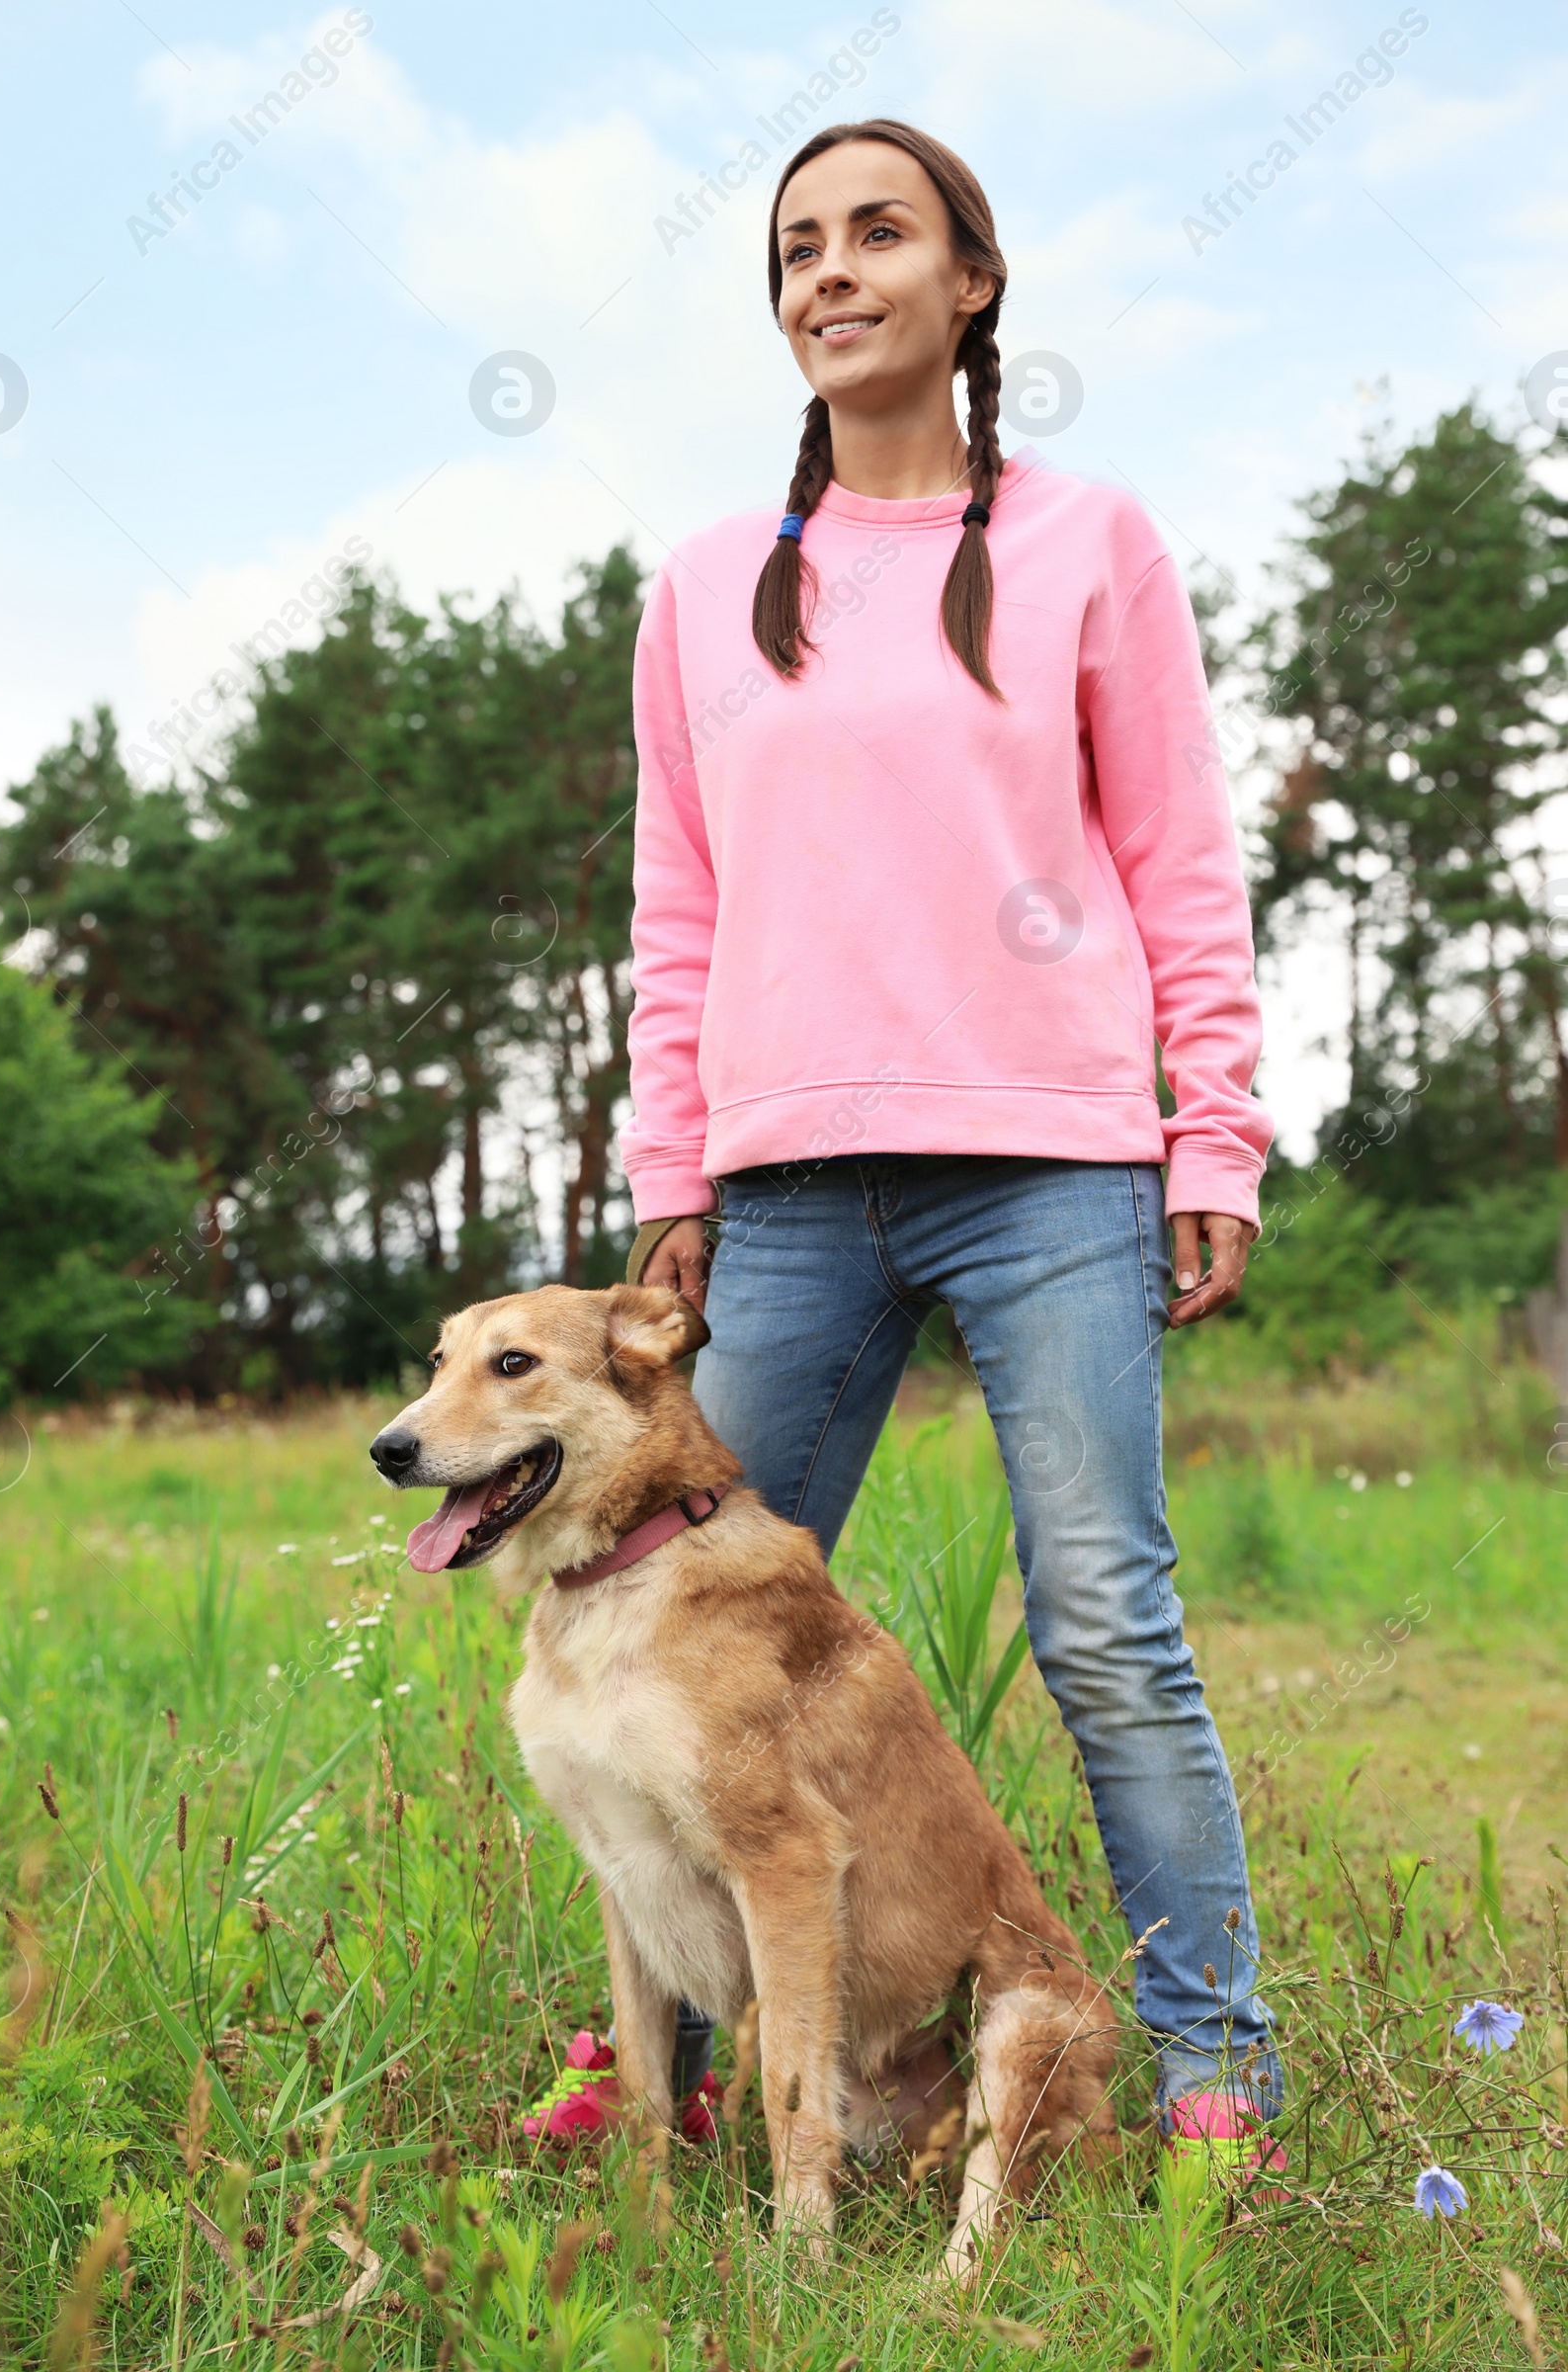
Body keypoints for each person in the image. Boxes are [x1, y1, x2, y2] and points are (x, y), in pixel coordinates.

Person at [524, 116, 1284, 2182]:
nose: (829, 270)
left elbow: (1174, 857)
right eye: (794, 247)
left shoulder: (1082, 543)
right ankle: (663, 2067)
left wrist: (1204, 1127)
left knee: (1104, 1616)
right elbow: (674, 901)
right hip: (776, 1191)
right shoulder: (705, 586)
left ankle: (1209, 2056)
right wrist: (669, 1168)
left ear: (970, 283)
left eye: (878, 233)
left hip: (1049, 1167)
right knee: (665, 1609)